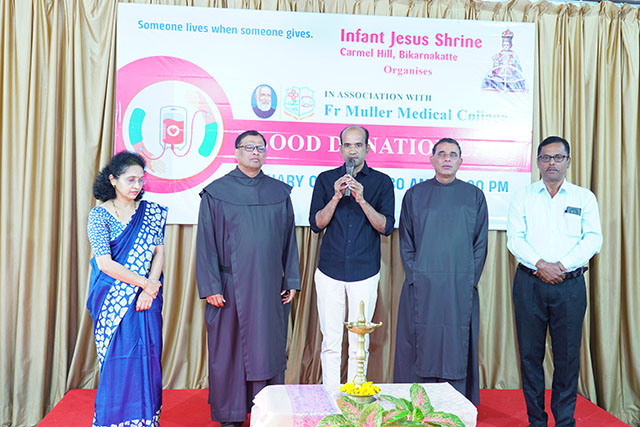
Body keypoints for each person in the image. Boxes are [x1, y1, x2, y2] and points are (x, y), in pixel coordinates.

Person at [196, 130, 300, 427]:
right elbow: (205, 243)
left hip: (268, 288)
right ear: (236, 152)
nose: (256, 152)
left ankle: (267, 413)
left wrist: (291, 280)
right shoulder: (216, 193)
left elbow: (289, 241)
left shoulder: (279, 193)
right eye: (250, 147)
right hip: (228, 288)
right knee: (228, 353)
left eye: (261, 148)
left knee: (266, 350)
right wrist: (211, 286)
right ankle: (230, 415)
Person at [507, 136, 602, 427]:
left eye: (558, 157)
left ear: (568, 162)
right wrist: (541, 265)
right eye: (546, 157)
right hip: (529, 284)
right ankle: (536, 420)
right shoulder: (523, 196)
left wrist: (561, 266)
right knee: (530, 356)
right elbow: (515, 239)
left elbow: (593, 239)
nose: (552, 163)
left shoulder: (584, 198)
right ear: (537, 162)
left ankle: (564, 421)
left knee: (567, 357)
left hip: (570, 286)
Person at [394, 137, 488, 405]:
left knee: (456, 342)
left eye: (453, 154)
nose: (447, 158)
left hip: (460, 286)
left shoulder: (474, 196)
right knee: (420, 340)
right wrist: (416, 275)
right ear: (432, 159)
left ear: (461, 161)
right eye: (442, 153)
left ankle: (455, 402)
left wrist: (468, 279)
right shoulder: (415, 195)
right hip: (422, 285)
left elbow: (480, 244)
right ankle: (416, 401)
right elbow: (407, 242)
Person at [309, 125, 395, 385]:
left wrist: (362, 199)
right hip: (330, 271)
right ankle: (331, 395)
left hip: (364, 271)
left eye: (358, 145)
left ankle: (355, 394)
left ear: (368, 148)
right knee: (331, 340)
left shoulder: (382, 182)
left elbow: (385, 227)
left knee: (360, 340)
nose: (353, 151)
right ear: (340, 149)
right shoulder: (326, 179)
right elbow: (316, 224)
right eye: (348, 145)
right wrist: (336, 197)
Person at [87, 151, 167, 427]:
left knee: (148, 357)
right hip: (112, 300)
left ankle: (146, 420)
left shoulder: (151, 212)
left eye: (141, 180)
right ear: (113, 180)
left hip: (147, 299)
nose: (137, 185)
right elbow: (105, 263)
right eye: (130, 179)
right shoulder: (99, 215)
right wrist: (145, 283)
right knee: (118, 361)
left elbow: (159, 252)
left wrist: (150, 289)